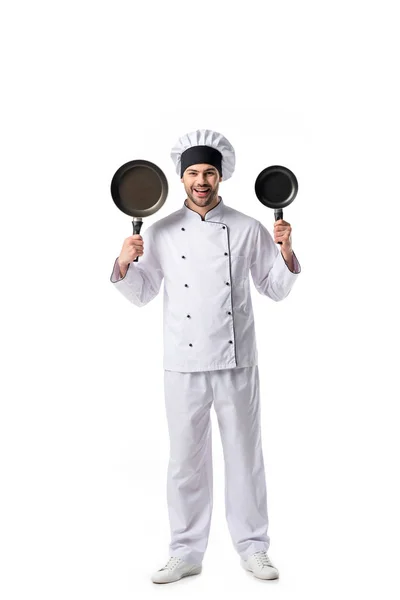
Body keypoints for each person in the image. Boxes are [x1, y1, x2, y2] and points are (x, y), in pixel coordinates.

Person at [110, 129, 301, 583]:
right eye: (193, 172)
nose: (202, 180)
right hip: (182, 362)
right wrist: (122, 260)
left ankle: (253, 547)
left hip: (237, 362)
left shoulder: (248, 227)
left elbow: (273, 289)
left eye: (209, 172)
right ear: (181, 178)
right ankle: (185, 551)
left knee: (244, 456)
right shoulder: (156, 231)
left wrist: (286, 251)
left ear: (221, 177)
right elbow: (141, 295)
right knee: (185, 461)